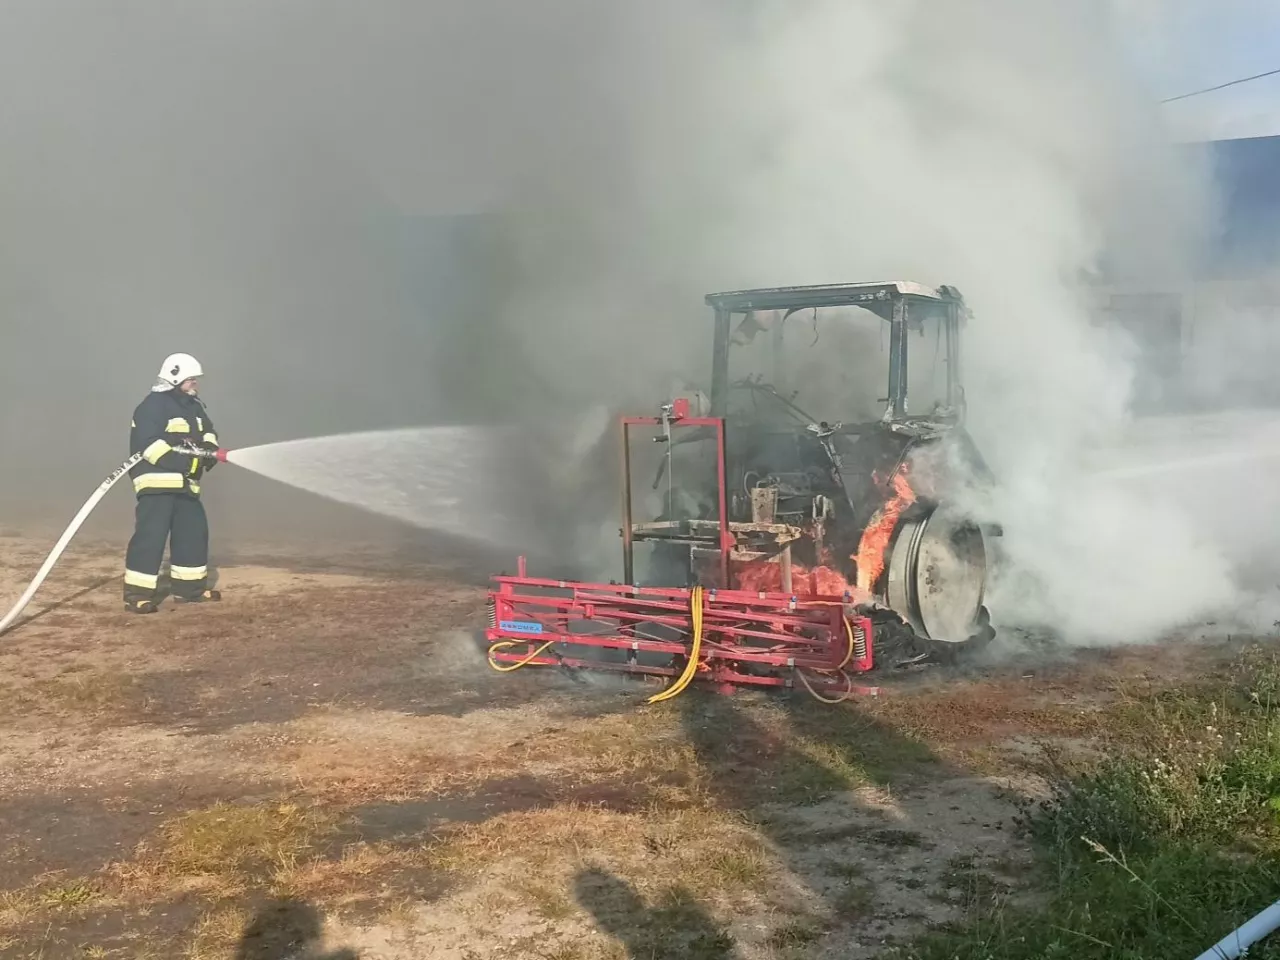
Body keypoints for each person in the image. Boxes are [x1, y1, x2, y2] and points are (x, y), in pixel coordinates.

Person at [123, 353, 223, 613]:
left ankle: (189, 591)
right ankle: (137, 595)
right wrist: (189, 464)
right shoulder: (152, 406)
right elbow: (149, 446)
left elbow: (208, 430)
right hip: (157, 485)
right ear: (175, 377)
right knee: (151, 538)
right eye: (191, 379)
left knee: (193, 534)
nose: (195, 384)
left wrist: (209, 450)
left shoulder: (194, 406)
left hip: (186, 486)